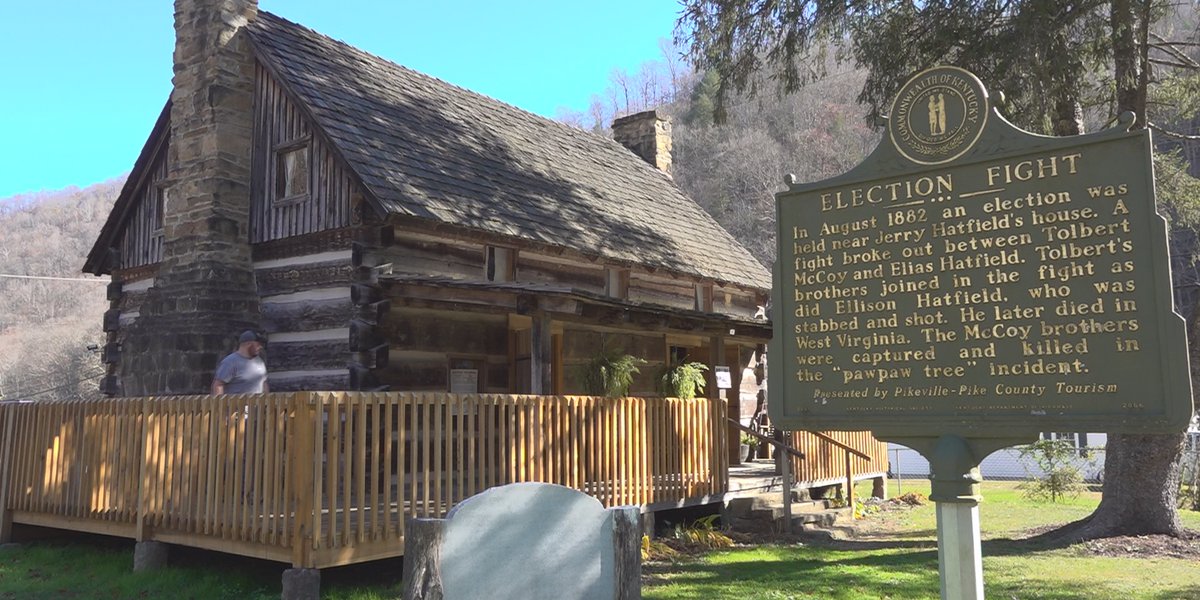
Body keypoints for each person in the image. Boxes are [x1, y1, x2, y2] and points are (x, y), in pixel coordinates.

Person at [211, 330, 269, 394]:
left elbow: (264, 382)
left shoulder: (259, 361)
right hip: (237, 403)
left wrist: (267, 401)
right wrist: (222, 403)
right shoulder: (230, 362)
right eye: (258, 344)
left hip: (257, 403)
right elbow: (218, 385)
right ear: (248, 344)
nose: (260, 347)